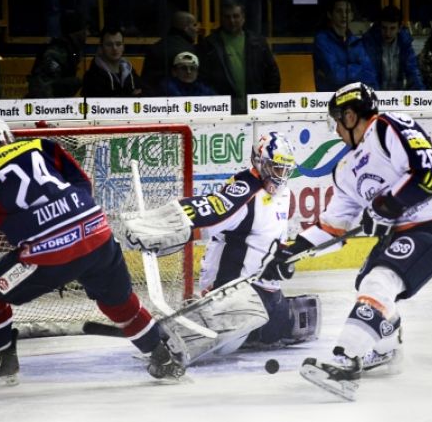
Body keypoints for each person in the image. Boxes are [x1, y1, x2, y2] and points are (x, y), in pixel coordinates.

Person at [0, 113, 184, 389]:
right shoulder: (41, 145)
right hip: (97, 236)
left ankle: (1, 358)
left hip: (45, 257)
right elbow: (82, 183)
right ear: (7, 136)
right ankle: (162, 357)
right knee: (118, 302)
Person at [260, 82, 432, 401]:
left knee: (380, 281)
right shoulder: (344, 170)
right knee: (367, 282)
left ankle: (346, 360)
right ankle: (386, 348)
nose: (336, 129)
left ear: (350, 114)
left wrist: (390, 205)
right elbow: (333, 226)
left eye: (337, 120)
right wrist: (291, 251)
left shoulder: (389, 126)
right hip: (403, 229)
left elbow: (429, 174)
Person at [122, 131, 321, 364]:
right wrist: (157, 226)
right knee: (225, 346)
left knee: (303, 321)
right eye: (276, 169)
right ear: (259, 162)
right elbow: (208, 211)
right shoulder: (245, 191)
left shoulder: (284, 193)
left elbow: (270, 238)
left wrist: (284, 258)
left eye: (285, 170)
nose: (280, 176)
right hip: (235, 292)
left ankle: (218, 321)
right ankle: (195, 319)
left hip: (264, 291)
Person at [198, 0, 281, 114]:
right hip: (222, 109)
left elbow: (272, 74)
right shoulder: (209, 44)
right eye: (227, 17)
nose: (232, 21)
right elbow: (203, 79)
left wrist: (267, 101)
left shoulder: (258, 43)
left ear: (243, 18)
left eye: (236, 16)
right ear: (221, 19)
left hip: (256, 107)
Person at [312, 0, 378, 91]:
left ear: (351, 15)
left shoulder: (357, 41)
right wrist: (359, 68)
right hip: (328, 99)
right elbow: (335, 76)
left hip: (355, 98)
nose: (344, 15)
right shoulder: (322, 40)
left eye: (347, 11)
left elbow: (371, 75)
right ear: (330, 14)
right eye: (339, 11)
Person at [361, 5, 425, 90]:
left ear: (399, 28)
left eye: (392, 28)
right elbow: (368, 74)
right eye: (384, 28)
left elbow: (413, 73)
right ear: (379, 26)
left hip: (397, 97)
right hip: (376, 95)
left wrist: (420, 96)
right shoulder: (370, 43)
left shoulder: (404, 43)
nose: (388, 33)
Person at [26, 11, 87, 98]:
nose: (87, 34)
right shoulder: (57, 52)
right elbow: (43, 86)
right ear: (76, 33)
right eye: (84, 31)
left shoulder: (71, 49)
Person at [140, 10, 198, 96]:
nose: (197, 29)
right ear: (186, 28)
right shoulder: (189, 51)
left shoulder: (155, 47)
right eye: (194, 25)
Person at [82, 25, 143, 97]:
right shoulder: (91, 77)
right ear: (101, 47)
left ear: (123, 47)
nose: (114, 48)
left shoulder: (129, 71)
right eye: (109, 44)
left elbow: (145, 91)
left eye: (118, 44)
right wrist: (131, 96)